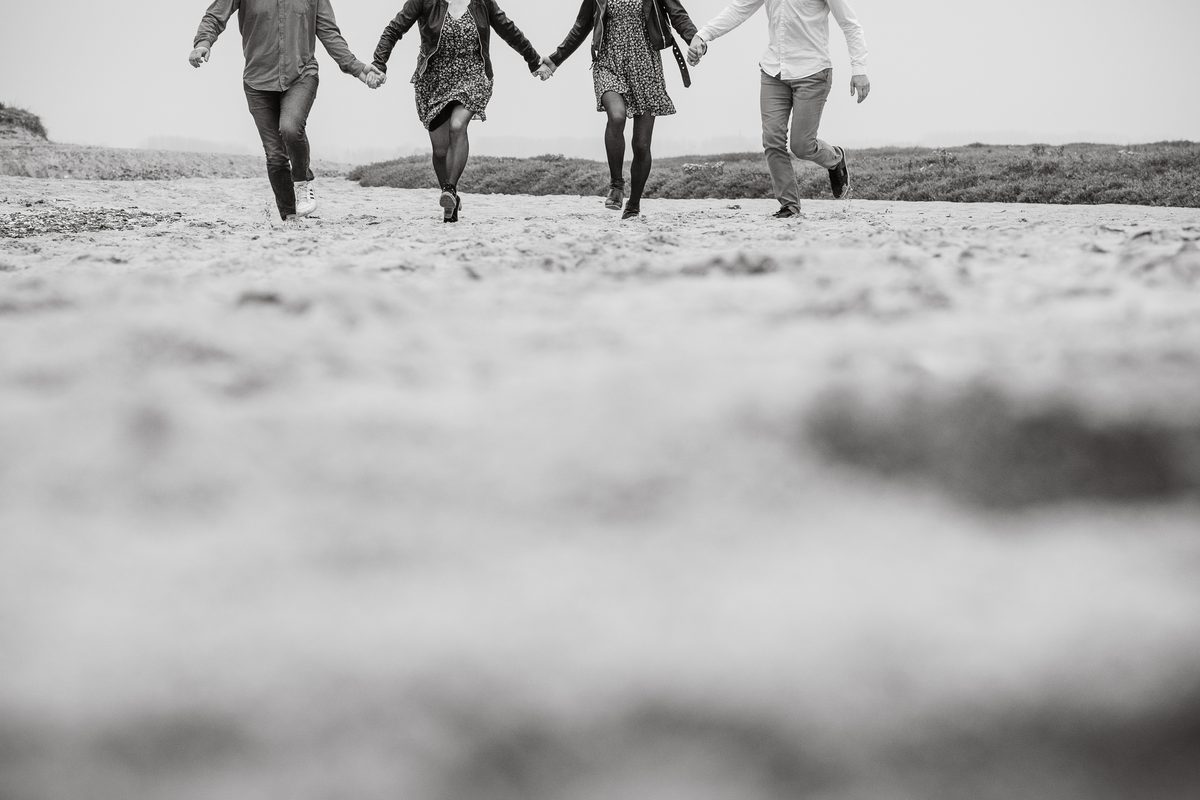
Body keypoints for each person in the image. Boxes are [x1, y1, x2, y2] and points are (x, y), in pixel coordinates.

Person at [189, 0, 384, 221]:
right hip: (257, 82)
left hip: (301, 75)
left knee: (290, 128)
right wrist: (203, 43)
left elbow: (329, 32)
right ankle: (290, 218)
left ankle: (302, 182)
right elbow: (215, 16)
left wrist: (357, 68)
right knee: (275, 155)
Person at [687, 0, 870, 218]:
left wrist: (859, 69)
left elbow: (850, 24)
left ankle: (835, 159)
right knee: (772, 141)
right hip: (773, 71)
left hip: (813, 72)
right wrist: (703, 35)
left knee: (802, 146)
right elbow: (740, 8)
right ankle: (789, 206)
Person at [371, 0, 543, 223]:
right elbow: (394, 29)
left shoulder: (482, 3)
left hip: (472, 76)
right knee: (440, 150)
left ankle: (450, 190)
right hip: (434, 81)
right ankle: (450, 198)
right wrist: (379, 63)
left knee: (457, 125)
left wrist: (534, 60)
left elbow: (509, 30)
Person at [538, 0, 700, 219]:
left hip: (645, 65)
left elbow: (677, 13)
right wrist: (556, 59)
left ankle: (633, 204)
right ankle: (616, 186)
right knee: (616, 116)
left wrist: (695, 40)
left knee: (641, 145)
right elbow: (582, 25)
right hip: (608, 63)